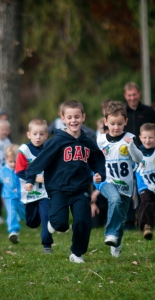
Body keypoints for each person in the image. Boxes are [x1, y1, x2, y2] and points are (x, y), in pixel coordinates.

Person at [25, 100, 106, 263]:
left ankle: (76, 253)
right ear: (63, 118)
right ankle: (54, 224)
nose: (73, 120)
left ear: (83, 117)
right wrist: (30, 178)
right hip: (58, 189)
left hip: (80, 189)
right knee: (60, 223)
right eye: (69, 117)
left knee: (83, 221)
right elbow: (41, 160)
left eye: (77, 117)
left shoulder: (88, 142)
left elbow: (98, 160)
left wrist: (99, 174)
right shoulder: (56, 141)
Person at [91, 101, 143, 258]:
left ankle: (116, 243)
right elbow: (92, 159)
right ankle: (110, 234)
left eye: (120, 124)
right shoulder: (100, 140)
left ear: (125, 122)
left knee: (121, 218)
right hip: (105, 181)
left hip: (125, 185)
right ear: (106, 121)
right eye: (112, 123)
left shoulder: (130, 138)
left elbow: (139, 159)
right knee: (114, 199)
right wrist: (96, 174)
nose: (116, 127)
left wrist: (132, 146)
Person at [123, 82, 155, 230]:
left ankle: (144, 218)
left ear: (139, 94)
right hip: (126, 155)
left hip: (146, 156)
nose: (132, 97)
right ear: (125, 96)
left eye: (134, 94)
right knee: (128, 189)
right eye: (129, 95)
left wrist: (154, 139)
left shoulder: (147, 111)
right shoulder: (122, 112)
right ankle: (129, 222)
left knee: (146, 189)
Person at [15, 118, 53, 253]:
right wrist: (35, 178)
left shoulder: (49, 149)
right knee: (32, 222)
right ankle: (32, 220)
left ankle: (47, 245)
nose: (38, 137)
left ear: (46, 136)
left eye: (42, 134)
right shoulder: (24, 150)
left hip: (45, 193)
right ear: (29, 134)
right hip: (29, 191)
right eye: (35, 134)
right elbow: (19, 171)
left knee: (46, 217)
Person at [0, 144, 25, 244]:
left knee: (24, 214)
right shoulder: (3, 170)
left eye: (15, 161)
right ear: (6, 159)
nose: (13, 164)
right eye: (11, 162)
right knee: (11, 212)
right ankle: (13, 231)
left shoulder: (21, 170)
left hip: (21, 197)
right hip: (9, 197)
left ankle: (19, 217)